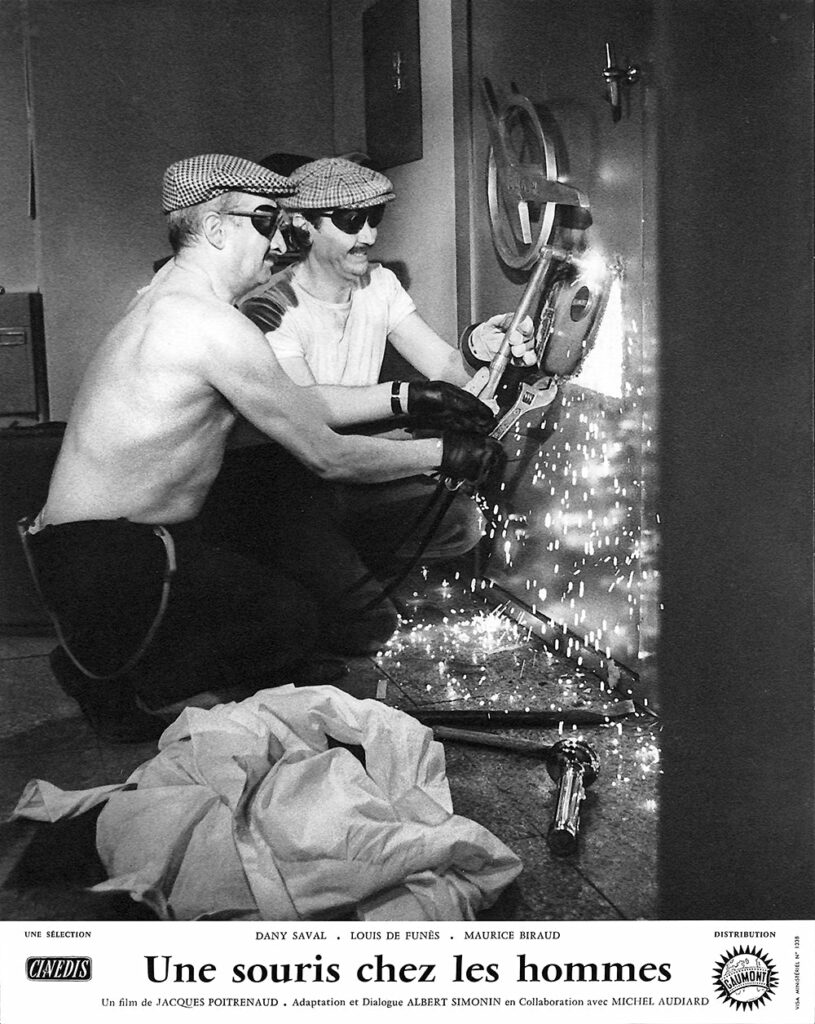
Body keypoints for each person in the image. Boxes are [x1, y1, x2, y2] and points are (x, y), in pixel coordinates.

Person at [22, 154, 503, 742]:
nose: (279, 241)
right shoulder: (212, 326)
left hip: (85, 552)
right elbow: (327, 454)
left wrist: (411, 397)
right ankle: (117, 675)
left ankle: (115, 658)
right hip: (115, 561)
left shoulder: (160, 301)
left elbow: (292, 402)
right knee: (292, 626)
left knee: (287, 607)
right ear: (216, 228)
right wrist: (444, 455)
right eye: (266, 221)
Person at [216, 157, 534, 596]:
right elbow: (314, 421)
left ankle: (346, 573)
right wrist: (432, 441)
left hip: (359, 466)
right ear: (303, 225)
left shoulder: (378, 284)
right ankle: (316, 579)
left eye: (374, 217)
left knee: (462, 523)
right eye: (351, 221)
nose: (368, 235)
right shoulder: (271, 308)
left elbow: (444, 367)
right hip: (299, 483)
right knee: (356, 618)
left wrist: (482, 347)